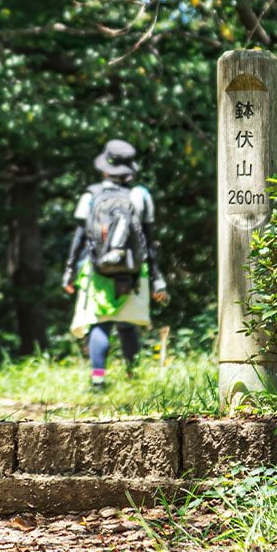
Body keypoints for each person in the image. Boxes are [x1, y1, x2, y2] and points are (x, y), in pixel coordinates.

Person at [62, 139, 168, 392]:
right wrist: (157, 278)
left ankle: (98, 380)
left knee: (100, 323)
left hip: (97, 270)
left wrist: (69, 271)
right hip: (134, 270)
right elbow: (149, 241)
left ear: (105, 168)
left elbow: (79, 237)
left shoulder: (91, 195)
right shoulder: (141, 195)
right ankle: (133, 375)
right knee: (127, 323)